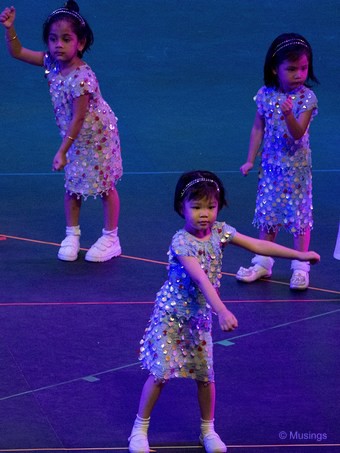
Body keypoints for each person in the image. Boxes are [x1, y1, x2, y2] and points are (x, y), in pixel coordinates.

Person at [128, 170, 320, 453]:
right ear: (181, 208)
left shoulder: (221, 232)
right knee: (160, 374)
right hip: (172, 316)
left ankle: (208, 430)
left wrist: (299, 255)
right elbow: (201, 279)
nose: (204, 214)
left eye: (210, 206)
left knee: (206, 376)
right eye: (196, 207)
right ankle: (139, 430)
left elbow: (258, 245)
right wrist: (222, 310)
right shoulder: (181, 242)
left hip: (200, 318)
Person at [0, 1, 123, 262]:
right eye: (53, 39)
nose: (58, 45)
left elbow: (79, 118)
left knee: (105, 187)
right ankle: (72, 235)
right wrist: (10, 29)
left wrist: (62, 151)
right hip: (73, 137)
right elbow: (18, 52)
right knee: (72, 185)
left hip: (97, 136)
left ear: (80, 43)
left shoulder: (83, 77)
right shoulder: (51, 63)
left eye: (66, 39)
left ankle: (111, 237)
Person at [236, 33, 319, 290]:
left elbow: (297, 133)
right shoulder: (265, 95)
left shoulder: (306, 99)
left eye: (303, 68)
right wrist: (250, 160)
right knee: (268, 216)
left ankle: (300, 266)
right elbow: (257, 129)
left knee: (299, 219)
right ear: (275, 68)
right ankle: (263, 261)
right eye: (291, 69)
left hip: (296, 169)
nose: (299, 74)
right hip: (271, 167)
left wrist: (287, 115)